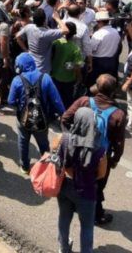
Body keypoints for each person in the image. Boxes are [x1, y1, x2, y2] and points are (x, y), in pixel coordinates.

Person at [62, 75, 126, 227]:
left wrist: (71, 142)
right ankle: (96, 215)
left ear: (97, 88)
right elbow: (119, 143)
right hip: (100, 158)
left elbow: (65, 119)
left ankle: (75, 204)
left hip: (77, 152)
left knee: (76, 177)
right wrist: (114, 160)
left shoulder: (83, 101)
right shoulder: (118, 114)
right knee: (97, 186)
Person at [54, 107, 107, 253]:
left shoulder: (63, 139)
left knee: (64, 218)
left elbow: (58, 160)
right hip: (87, 191)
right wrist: (86, 177)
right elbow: (101, 174)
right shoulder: (99, 149)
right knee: (87, 226)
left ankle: (64, 247)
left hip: (65, 187)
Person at [8, 53, 65, 173]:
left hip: (23, 119)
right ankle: (45, 168)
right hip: (42, 120)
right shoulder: (46, 78)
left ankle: (25, 167)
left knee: (23, 142)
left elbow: (11, 101)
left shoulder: (17, 80)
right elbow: (56, 100)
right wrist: (63, 114)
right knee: (43, 144)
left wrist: (21, 103)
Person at [16, 8, 66, 74]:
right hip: (42, 68)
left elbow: (17, 36)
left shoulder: (29, 27)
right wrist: (57, 18)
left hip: (31, 64)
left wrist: (26, 50)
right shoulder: (46, 33)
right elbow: (66, 30)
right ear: (44, 20)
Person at [50, 22, 84, 109]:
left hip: (54, 76)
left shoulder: (56, 43)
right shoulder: (75, 49)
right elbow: (78, 67)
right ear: (74, 34)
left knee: (56, 96)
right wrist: (79, 78)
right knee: (68, 99)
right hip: (68, 79)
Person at [88, 11, 121, 89]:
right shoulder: (115, 32)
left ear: (99, 22)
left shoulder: (98, 34)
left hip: (98, 62)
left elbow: (91, 49)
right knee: (106, 85)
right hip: (111, 60)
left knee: (95, 84)